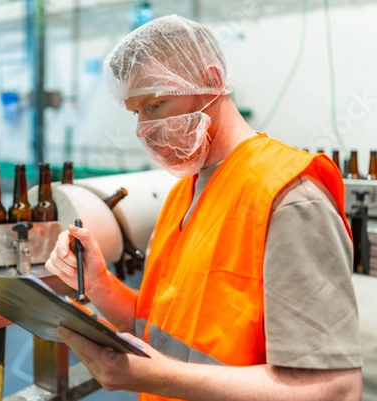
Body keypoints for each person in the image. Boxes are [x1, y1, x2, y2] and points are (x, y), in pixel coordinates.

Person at [45, 14, 362, 401]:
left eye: (157, 104)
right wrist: (97, 283)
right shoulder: (186, 191)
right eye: (136, 112)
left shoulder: (289, 195)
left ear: (210, 81)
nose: (144, 128)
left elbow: (332, 387)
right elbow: (161, 332)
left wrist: (160, 379)